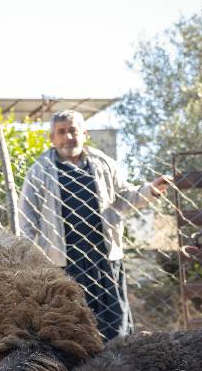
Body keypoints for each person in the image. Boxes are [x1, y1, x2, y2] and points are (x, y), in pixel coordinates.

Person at [18, 110, 171, 340]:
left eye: (73, 130)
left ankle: (117, 359)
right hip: (63, 263)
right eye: (61, 132)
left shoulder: (103, 164)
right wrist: (30, 257)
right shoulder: (39, 171)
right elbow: (27, 216)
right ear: (52, 138)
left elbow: (124, 197)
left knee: (115, 325)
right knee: (70, 326)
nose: (68, 137)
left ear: (85, 134)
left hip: (104, 258)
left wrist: (150, 190)